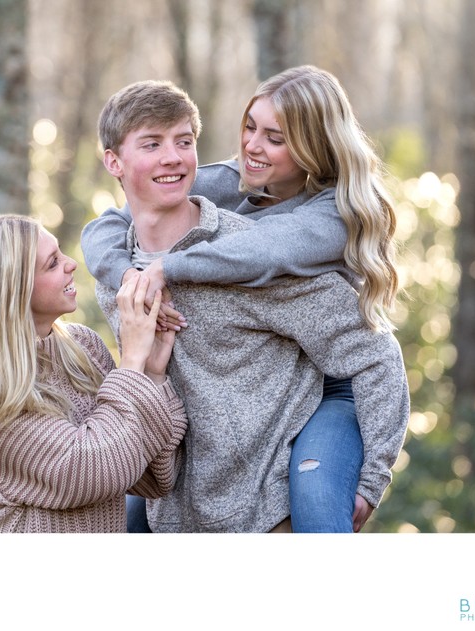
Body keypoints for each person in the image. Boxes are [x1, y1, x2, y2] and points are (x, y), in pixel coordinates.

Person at [82, 66, 401, 533]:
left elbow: (263, 251)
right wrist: (128, 275)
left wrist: (168, 268)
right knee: (129, 511)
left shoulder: (330, 217)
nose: (252, 145)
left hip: (336, 383)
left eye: (275, 138)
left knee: (316, 500)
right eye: (250, 127)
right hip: (268, 369)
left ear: (312, 148)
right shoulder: (238, 179)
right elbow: (113, 220)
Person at [0, 214, 188, 533]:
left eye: (61, 253)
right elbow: (94, 470)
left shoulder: (83, 347)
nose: (71, 263)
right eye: (52, 263)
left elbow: (155, 478)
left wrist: (153, 374)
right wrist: (132, 360)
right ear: (12, 291)